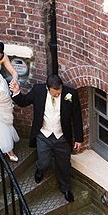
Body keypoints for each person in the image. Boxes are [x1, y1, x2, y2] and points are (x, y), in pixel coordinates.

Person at [9, 74, 83, 203]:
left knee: (64, 165)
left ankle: (65, 188)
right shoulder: (38, 91)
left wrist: (79, 138)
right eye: (54, 94)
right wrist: (16, 92)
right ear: (47, 88)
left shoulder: (71, 94)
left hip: (62, 137)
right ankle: (40, 169)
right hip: (44, 135)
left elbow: (77, 117)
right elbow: (24, 102)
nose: (57, 95)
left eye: (59, 93)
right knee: (44, 162)